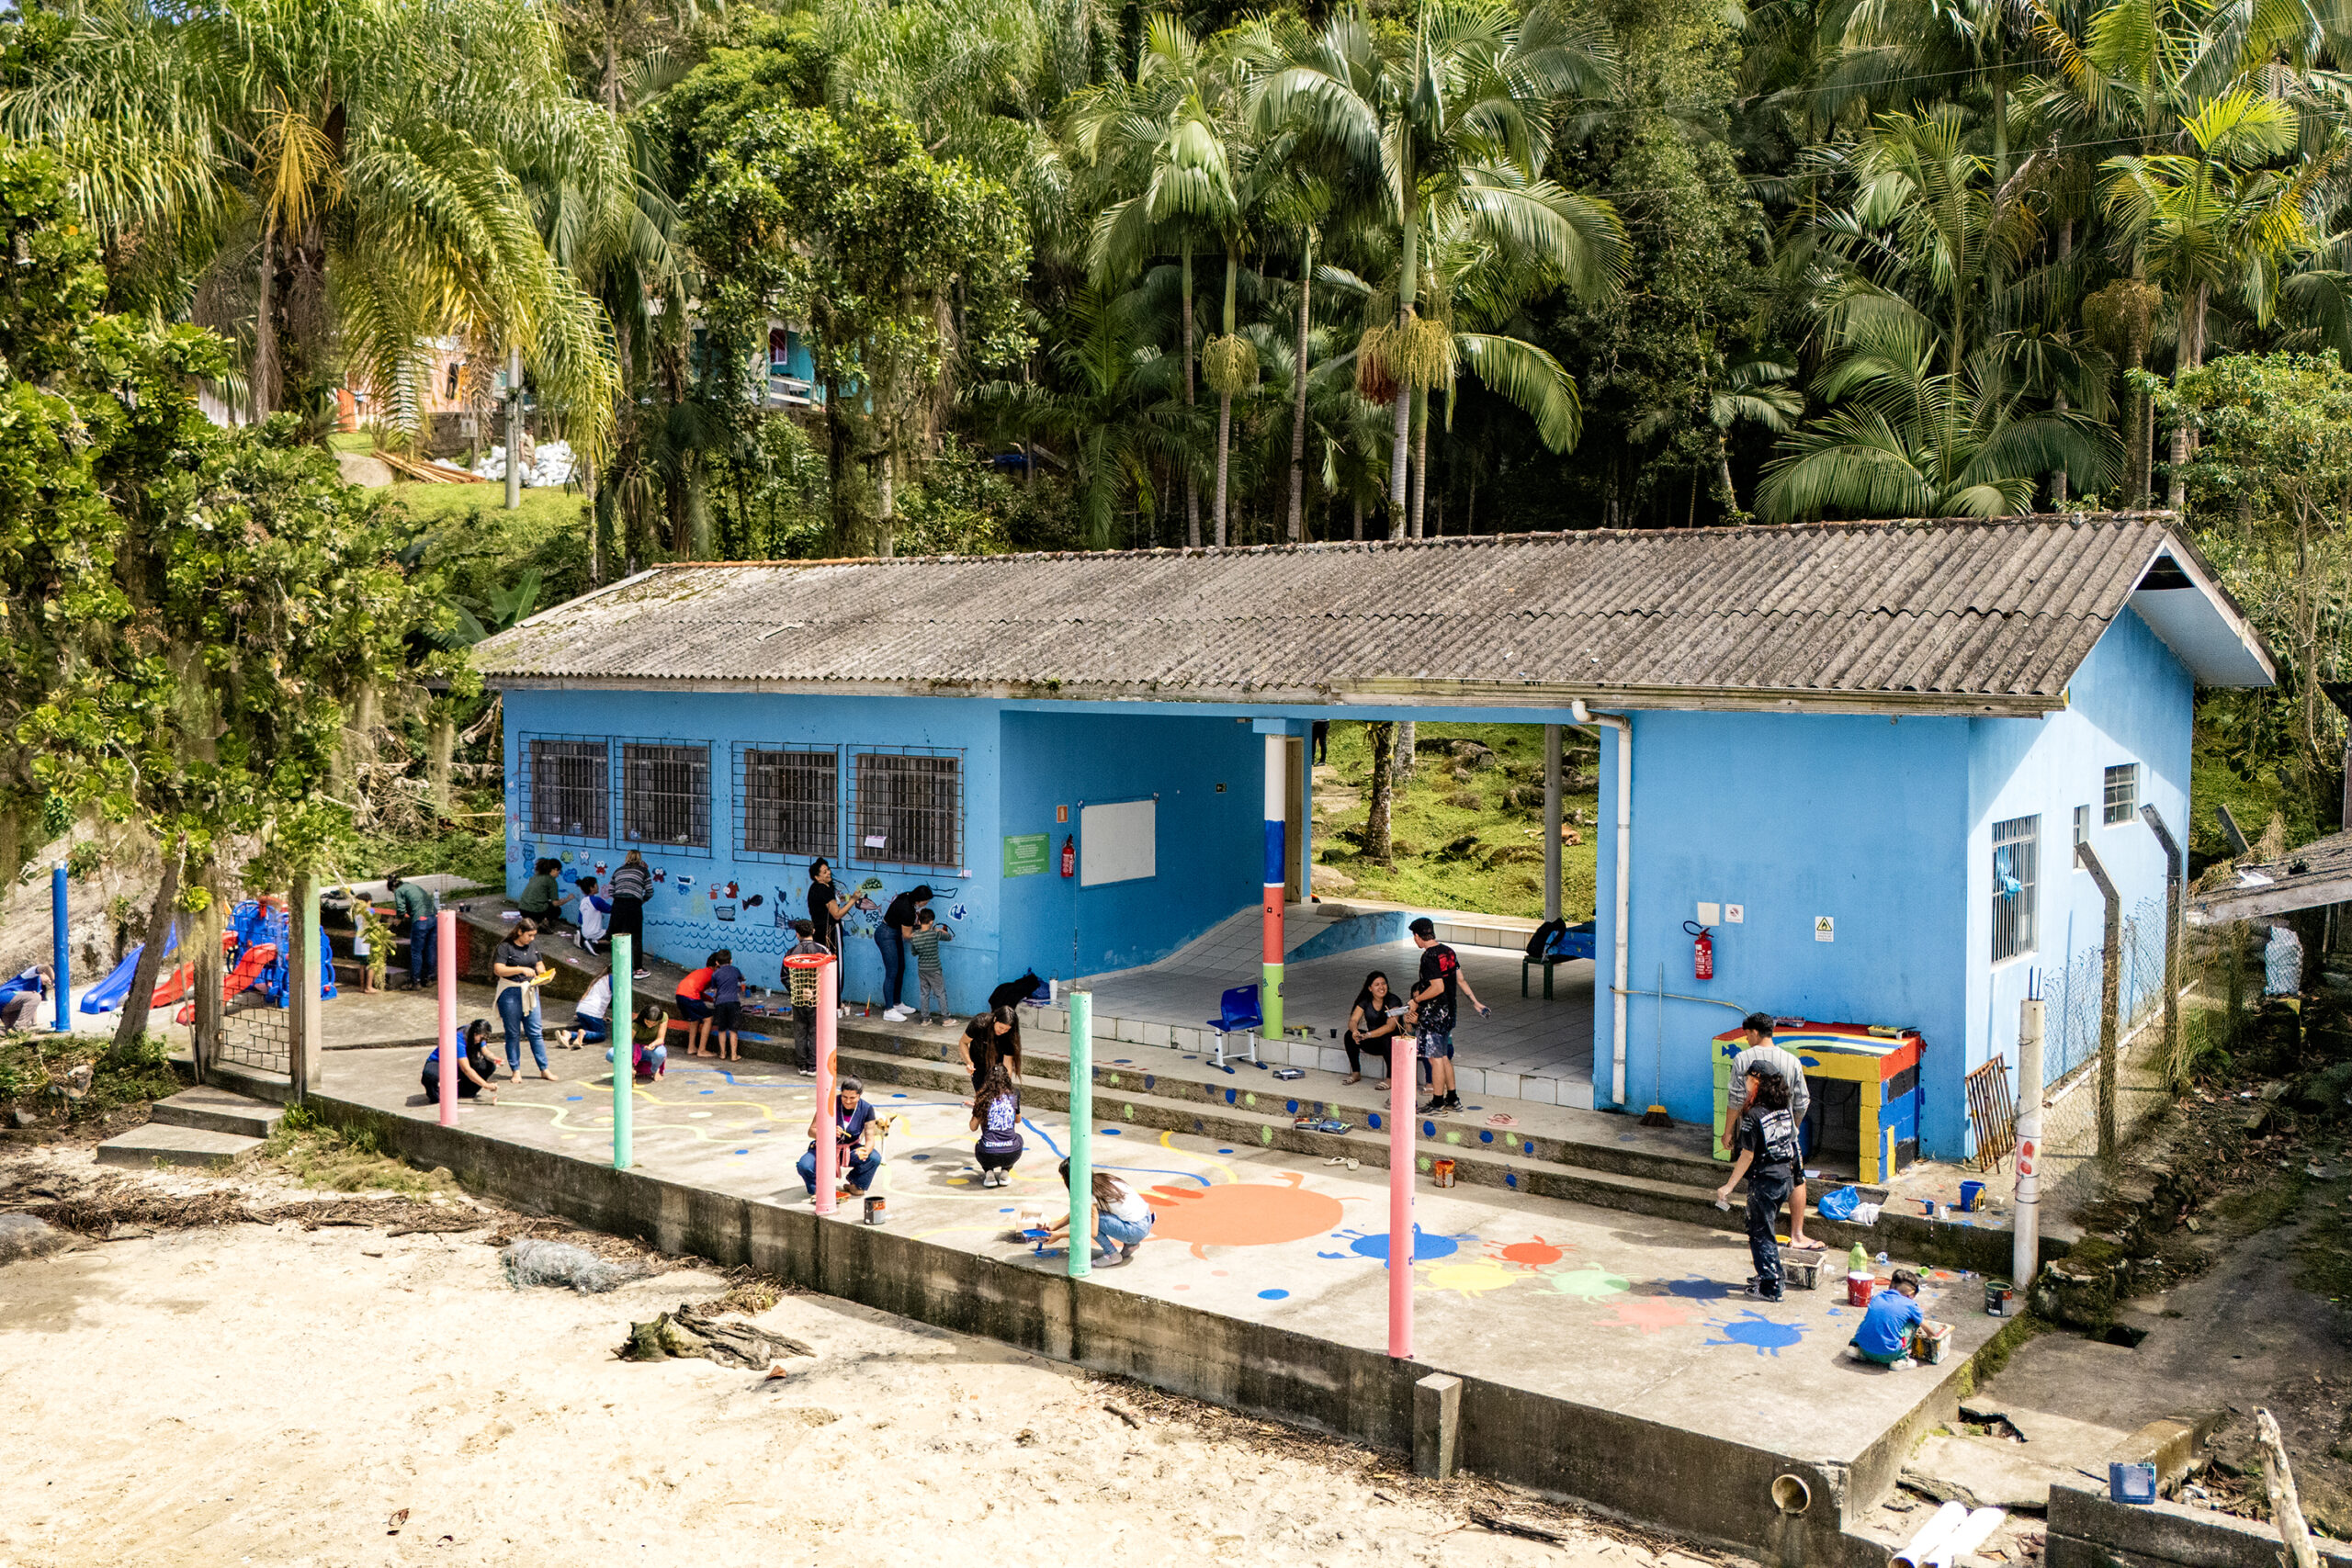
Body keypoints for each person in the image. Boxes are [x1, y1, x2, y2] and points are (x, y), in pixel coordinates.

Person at [1721, 1013, 1819, 1250]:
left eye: (1747, 1034)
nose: (1746, 1039)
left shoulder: (1743, 1059)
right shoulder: (1791, 1060)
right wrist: (1792, 1127)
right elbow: (1803, 1101)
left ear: (1755, 1032)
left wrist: (1728, 1132)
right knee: (1797, 1179)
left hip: (1756, 1135)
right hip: (1786, 1137)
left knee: (1758, 1181)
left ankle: (1761, 1235)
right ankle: (1797, 1234)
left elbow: (1735, 1098)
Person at [1713, 1070, 1800, 1301]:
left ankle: (1771, 1287)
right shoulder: (1784, 1112)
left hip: (1764, 1183)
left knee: (1761, 1234)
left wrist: (1728, 1186)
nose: (1746, 1085)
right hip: (1784, 1180)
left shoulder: (1754, 1116)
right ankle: (1770, 1275)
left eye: (1749, 1081)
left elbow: (1747, 1156)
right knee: (1766, 1230)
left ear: (1758, 1083)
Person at [1408, 917, 1487, 1113]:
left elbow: (1437, 987)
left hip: (1434, 1015)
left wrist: (1416, 1001)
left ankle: (1437, 1102)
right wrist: (1475, 1003)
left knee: (1435, 1059)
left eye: (1414, 937)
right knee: (1444, 1057)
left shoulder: (1429, 957)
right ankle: (1452, 1098)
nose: (1415, 940)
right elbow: (1460, 980)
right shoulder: (1448, 952)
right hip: (1449, 1012)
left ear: (1418, 936)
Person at [1044, 1158, 1152, 1268]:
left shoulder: (1088, 1193)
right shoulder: (1102, 1179)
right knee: (1092, 1213)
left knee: (1087, 1219)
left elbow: (1092, 1232)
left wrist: (1060, 1235)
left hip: (1135, 1230)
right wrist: (1053, 1227)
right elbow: (1079, 1211)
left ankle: (1112, 1255)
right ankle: (1131, 1245)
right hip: (1146, 1220)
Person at [492, 919, 558, 1080]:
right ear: (520, 932)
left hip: (530, 990)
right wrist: (521, 969)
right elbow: (498, 969)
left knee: (535, 1032)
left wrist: (542, 972)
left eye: (534, 936)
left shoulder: (533, 947)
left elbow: (539, 963)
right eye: (529, 935)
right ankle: (516, 1070)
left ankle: (544, 1068)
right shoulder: (505, 947)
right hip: (510, 991)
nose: (532, 939)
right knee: (513, 1033)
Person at [797, 1076, 882, 1198]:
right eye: (844, 1097)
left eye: (852, 1098)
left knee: (874, 1157)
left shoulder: (867, 1109)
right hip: (825, 1148)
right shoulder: (829, 1103)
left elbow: (870, 1137)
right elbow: (811, 1131)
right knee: (804, 1165)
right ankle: (818, 1189)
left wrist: (865, 1151)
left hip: (850, 1149)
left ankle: (856, 1183)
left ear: (859, 1095)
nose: (848, 1101)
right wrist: (828, 1132)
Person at [876, 882, 933, 1021]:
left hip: (894, 933)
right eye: (925, 902)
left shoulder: (907, 896)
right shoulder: (908, 910)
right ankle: (889, 1010)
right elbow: (907, 936)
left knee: (901, 968)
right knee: (892, 971)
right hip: (886, 935)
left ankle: (897, 1003)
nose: (926, 904)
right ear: (918, 900)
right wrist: (925, 934)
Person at [1849, 1269, 1926, 1368]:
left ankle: (1855, 1348)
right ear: (1910, 1294)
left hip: (1864, 1349)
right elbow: (1925, 1326)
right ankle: (1901, 1360)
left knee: (1870, 1318)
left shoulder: (1878, 1296)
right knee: (1914, 1321)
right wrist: (1932, 1334)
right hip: (1888, 1355)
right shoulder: (1910, 1304)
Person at [1342, 971, 1403, 1088]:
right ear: (1370, 988)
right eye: (1377, 984)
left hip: (1393, 1043)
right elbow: (1353, 1020)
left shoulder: (1393, 1000)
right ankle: (1356, 1073)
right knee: (1348, 1035)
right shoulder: (1365, 1001)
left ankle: (1390, 1078)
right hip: (1374, 1040)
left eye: (1383, 983)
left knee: (1387, 1038)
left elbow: (1390, 1026)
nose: (1381, 987)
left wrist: (1369, 1035)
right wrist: (1355, 1031)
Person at [785, 919, 831, 1073]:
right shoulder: (823, 950)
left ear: (797, 935)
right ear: (813, 931)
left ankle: (802, 1065)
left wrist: (796, 991)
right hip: (818, 998)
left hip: (797, 998)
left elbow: (784, 976)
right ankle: (813, 1064)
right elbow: (830, 974)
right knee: (815, 1031)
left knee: (800, 1030)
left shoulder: (791, 952)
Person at [969, 1061, 1023, 1186]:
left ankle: (989, 1174)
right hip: (1012, 1153)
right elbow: (1018, 1120)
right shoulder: (1014, 1095)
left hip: (988, 1153)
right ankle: (1005, 1172)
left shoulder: (982, 1098)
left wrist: (978, 1112)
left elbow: (973, 1127)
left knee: (980, 1144)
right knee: (1018, 1138)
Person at [424, 1020, 500, 1104]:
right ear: (475, 1033)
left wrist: (494, 1058)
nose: (481, 1041)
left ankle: (463, 1091)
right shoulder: (459, 1038)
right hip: (439, 1063)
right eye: (481, 1038)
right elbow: (466, 1069)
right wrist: (486, 1085)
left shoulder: (478, 1036)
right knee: (430, 1076)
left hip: (458, 1064)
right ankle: (437, 1095)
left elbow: (485, 1051)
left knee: (489, 1065)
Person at [806, 859, 870, 955]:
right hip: (830, 934)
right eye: (824, 872)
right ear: (817, 877)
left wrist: (848, 898)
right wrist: (853, 900)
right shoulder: (824, 890)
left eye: (828, 870)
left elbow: (833, 902)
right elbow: (837, 914)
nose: (829, 873)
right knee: (834, 962)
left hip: (819, 932)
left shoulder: (814, 888)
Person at [958, 1005, 1023, 1097]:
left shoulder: (1010, 1036)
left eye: (1006, 1029)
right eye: (1001, 1027)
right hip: (978, 1062)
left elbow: (1007, 1066)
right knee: (981, 1097)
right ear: (995, 1019)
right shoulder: (979, 1023)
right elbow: (963, 1042)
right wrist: (969, 1062)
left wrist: (1004, 1085)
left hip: (997, 1069)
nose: (1002, 1031)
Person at [388, 873, 438, 990]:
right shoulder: (413, 886)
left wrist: (399, 918)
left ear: (393, 887)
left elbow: (401, 908)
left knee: (416, 952)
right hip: (433, 918)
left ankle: (416, 982)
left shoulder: (399, 891)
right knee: (430, 949)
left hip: (420, 920)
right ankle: (430, 978)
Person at [608, 851, 651, 978]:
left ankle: (618, 966)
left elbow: (611, 890)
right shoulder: (644, 871)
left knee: (617, 936)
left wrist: (620, 899)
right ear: (640, 859)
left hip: (618, 904)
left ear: (627, 858)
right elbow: (649, 891)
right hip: (634, 905)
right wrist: (640, 901)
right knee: (636, 938)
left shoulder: (618, 871)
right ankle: (638, 970)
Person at [909, 907, 954, 1025]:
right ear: (931, 922)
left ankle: (925, 1019)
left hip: (922, 969)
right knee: (940, 993)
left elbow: (914, 953)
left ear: (919, 921)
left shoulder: (914, 936)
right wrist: (941, 930)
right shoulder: (935, 934)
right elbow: (949, 937)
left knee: (924, 993)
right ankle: (946, 1019)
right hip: (934, 969)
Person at [606, 1003, 670, 1082]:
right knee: (611, 1054)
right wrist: (629, 1067)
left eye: (654, 1023)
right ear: (643, 1018)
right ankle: (628, 1070)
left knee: (660, 1052)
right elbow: (627, 1044)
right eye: (647, 1022)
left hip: (652, 1049)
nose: (650, 1025)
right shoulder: (636, 1024)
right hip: (636, 1049)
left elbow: (661, 1039)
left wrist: (652, 1044)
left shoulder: (663, 1016)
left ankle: (655, 1070)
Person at [674, 954, 718, 1057]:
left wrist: (711, 1000)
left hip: (680, 994)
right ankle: (702, 1050)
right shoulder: (713, 974)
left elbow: (699, 991)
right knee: (708, 1019)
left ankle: (691, 1047)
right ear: (716, 966)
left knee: (695, 1019)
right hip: (691, 996)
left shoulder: (701, 971)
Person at [707, 948, 746, 1063]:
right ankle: (734, 1055)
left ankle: (723, 1054)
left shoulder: (715, 974)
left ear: (717, 963)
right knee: (733, 1030)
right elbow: (742, 980)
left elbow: (714, 990)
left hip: (720, 1003)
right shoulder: (735, 970)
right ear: (731, 961)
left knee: (722, 1029)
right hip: (734, 1002)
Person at [560, 971, 612, 1049]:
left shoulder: (598, 980)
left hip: (581, 1009)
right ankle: (582, 1033)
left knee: (590, 1033)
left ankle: (568, 1034)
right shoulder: (613, 979)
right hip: (593, 1012)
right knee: (601, 1035)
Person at [571, 876, 611, 955]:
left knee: (596, 932)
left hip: (585, 931)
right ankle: (594, 942)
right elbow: (610, 909)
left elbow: (580, 920)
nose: (598, 886)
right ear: (591, 888)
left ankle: (583, 937)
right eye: (596, 885)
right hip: (595, 933)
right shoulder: (597, 900)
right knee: (614, 938)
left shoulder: (583, 902)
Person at [517, 858, 564, 924]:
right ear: (555, 869)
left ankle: (532, 922)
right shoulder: (551, 880)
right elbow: (555, 903)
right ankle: (544, 923)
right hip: (535, 912)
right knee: (557, 910)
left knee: (547, 905)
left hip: (522, 910)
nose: (558, 875)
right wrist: (566, 900)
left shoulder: (535, 877)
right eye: (558, 872)